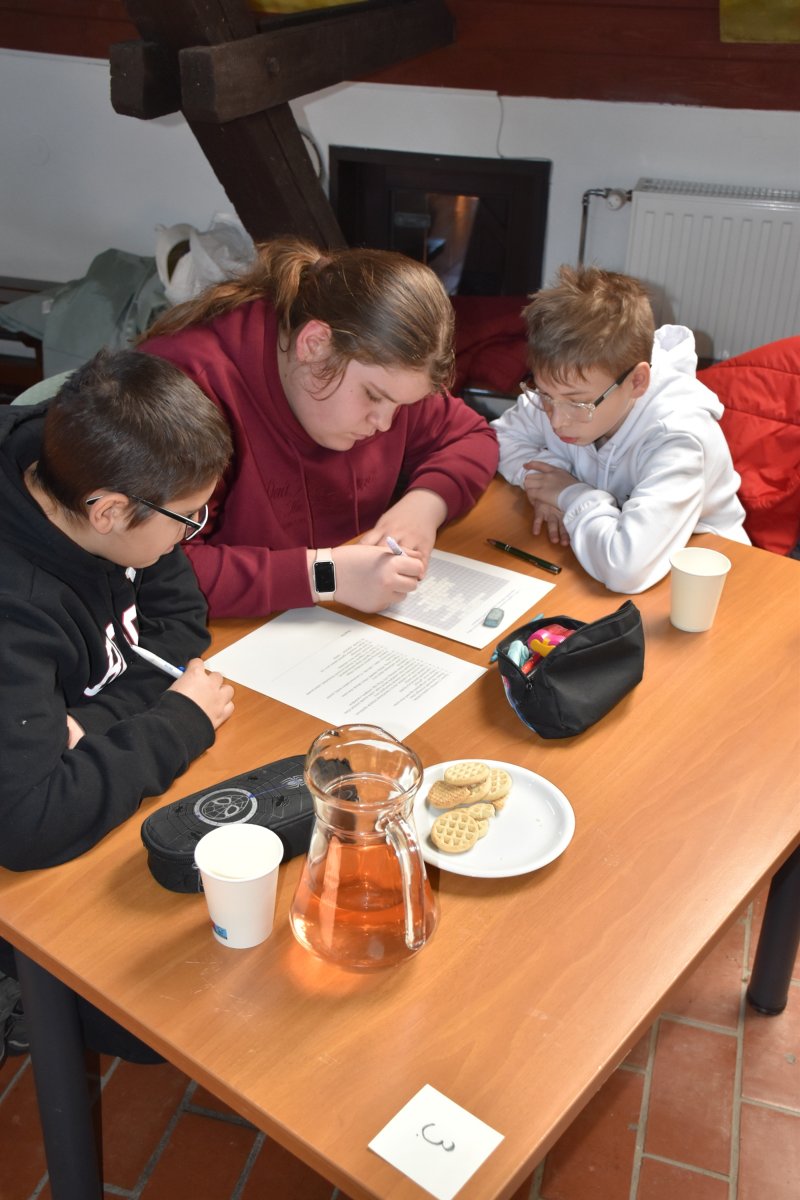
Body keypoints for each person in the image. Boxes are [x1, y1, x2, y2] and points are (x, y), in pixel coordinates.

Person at [139, 237, 499, 618]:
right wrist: (325, 576)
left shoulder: (385, 372)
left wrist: (424, 507)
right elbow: (150, 572)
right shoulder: (188, 388)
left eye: (402, 405)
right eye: (373, 396)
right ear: (314, 345)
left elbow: (472, 437)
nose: (385, 423)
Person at [0, 348, 235, 873]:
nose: (191, 532)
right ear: (109, 511)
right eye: (187, 517)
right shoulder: (15, 612)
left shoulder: (103, 476)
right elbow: (27, 824)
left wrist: (96, 720)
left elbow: (180, 619)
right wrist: (180, 722)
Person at [492, 265, 749, 593]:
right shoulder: (568, 389)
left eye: (578, 403)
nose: (556, 420)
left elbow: (626, 568)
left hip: (705, 582)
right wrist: (545, 480)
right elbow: (499, 436)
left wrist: (570, 495)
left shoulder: (678, 437)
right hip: (600, 558)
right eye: (544, 394)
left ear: (637, 381)